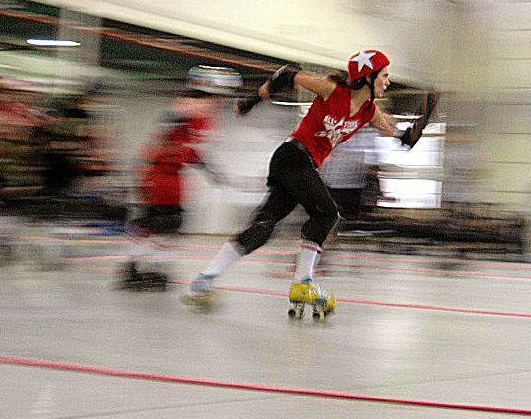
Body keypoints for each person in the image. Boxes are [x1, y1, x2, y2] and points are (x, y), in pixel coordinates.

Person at [183, 49, 437, 316]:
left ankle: (204, 279)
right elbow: (287, 74)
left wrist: (425, 117)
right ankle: (303, 282)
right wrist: (251, 102)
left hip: (302, 166)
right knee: (327, 214)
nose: (388, 82)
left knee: (263, 227)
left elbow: (404, 140)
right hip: (292, 156)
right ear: (366, 77)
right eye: (384, 76)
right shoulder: (332, 90)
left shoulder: (368, 111)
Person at [118, 66, 241, 290]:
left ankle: (154, 270)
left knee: (170, 224)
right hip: (159, 170)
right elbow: (167, 122)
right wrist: (181, 115)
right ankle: (132, 269)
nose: (224, 101)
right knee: (156, 222)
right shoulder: (192, 105)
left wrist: (211, 171)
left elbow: (190, 151)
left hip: (172, 173)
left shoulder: (204, 115)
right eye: (223, 95)